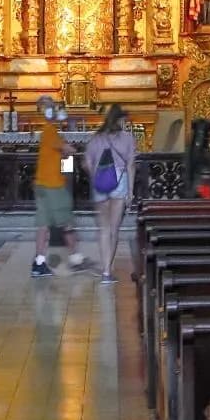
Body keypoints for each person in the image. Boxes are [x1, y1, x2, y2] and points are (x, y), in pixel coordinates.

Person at [32, 95, 87, 277]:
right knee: (66, 222)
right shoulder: (50, 131)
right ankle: (76, 259)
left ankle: (39, 264)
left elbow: (59, 154)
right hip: (53, 185)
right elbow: (67, 150)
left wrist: (65, 151)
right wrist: (72, 148)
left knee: (43, 225)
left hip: (41, 184)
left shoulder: (48, 131)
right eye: (52, 108)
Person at [85, 103, 136, 284]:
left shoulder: (96, 138)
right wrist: (130, 192)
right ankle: (107, 271)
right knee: (114, 229)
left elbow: (88, 163)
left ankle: (105, 270)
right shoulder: (127, 138)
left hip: (100, 182)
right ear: (120, 119)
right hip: (119, 181)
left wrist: (96, 179)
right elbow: (131, 165)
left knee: (103, 229)